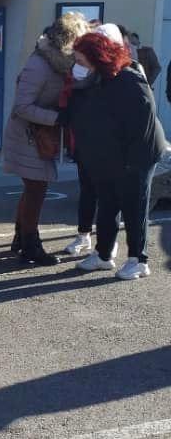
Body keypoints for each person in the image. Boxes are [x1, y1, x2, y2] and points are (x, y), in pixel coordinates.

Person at [64, 32, 167, 279]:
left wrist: (131, 165)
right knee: (107, 202)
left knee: (135, 204)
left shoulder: (129, 80)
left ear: (97, 58)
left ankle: (139, 260)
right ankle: (103, 255)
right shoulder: (95, 79)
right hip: (108, 155)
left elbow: (143, 127)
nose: (77, 65)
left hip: (137, 155)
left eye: (80, 60)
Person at [3, 12, 88, 265]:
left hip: (36, 134)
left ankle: (21, 238)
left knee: (33, 189)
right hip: (28, 135)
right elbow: (21, 106)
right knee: (37, 189)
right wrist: (58, 118)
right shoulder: (40, 64)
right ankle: (31, 245)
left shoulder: (58, 62)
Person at [63, 24, 135, 258]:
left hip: (112, 150)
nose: (78, 65)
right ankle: (85, 235)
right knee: (88, 190)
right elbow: (69, 104)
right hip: (84, 144)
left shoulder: (122, 77)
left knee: (110, 198)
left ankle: (111, 247)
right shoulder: (81, 75)